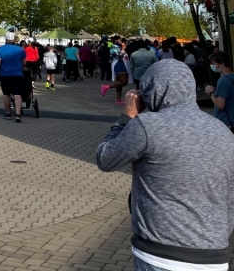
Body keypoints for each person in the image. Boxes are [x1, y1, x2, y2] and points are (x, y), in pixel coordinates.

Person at [97, 61, 234, 271]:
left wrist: (128, 116)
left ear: (151, 90)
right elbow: (230, 196)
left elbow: (105, 158)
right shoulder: (223, 132)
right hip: (213, 256)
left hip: (161, 254)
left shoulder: (147, 126)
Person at [0, 31, 26, 123]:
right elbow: (24, 62)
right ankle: (18, 114)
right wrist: (21, 66)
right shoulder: (20, 49)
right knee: (17, 94)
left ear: (6, 39)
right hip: (17, 74)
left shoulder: (1, 49)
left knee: (6, 94)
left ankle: (8, 114)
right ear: (14, 39)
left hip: (5, 74)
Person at [205, 51, 234, 131]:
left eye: (213, 63)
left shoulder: (223, 81)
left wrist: (210, 92)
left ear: (222, 64)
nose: (212, 66)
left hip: (226, 122)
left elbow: (220, 104)